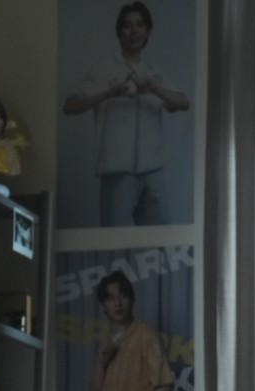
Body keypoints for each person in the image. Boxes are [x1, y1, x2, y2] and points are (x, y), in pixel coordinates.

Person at [62, 2, 190, 226]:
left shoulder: (154, 73)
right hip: (117, 173)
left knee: (159, 242)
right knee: (116, 240)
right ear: (119, 31)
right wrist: (109, 93)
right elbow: (70, 106)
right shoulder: (105, 69)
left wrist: (154, 88)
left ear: (148, 31)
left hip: (153, 171)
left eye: (140, 25)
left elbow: (183, 103)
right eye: (128, 25)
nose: (134, 31)